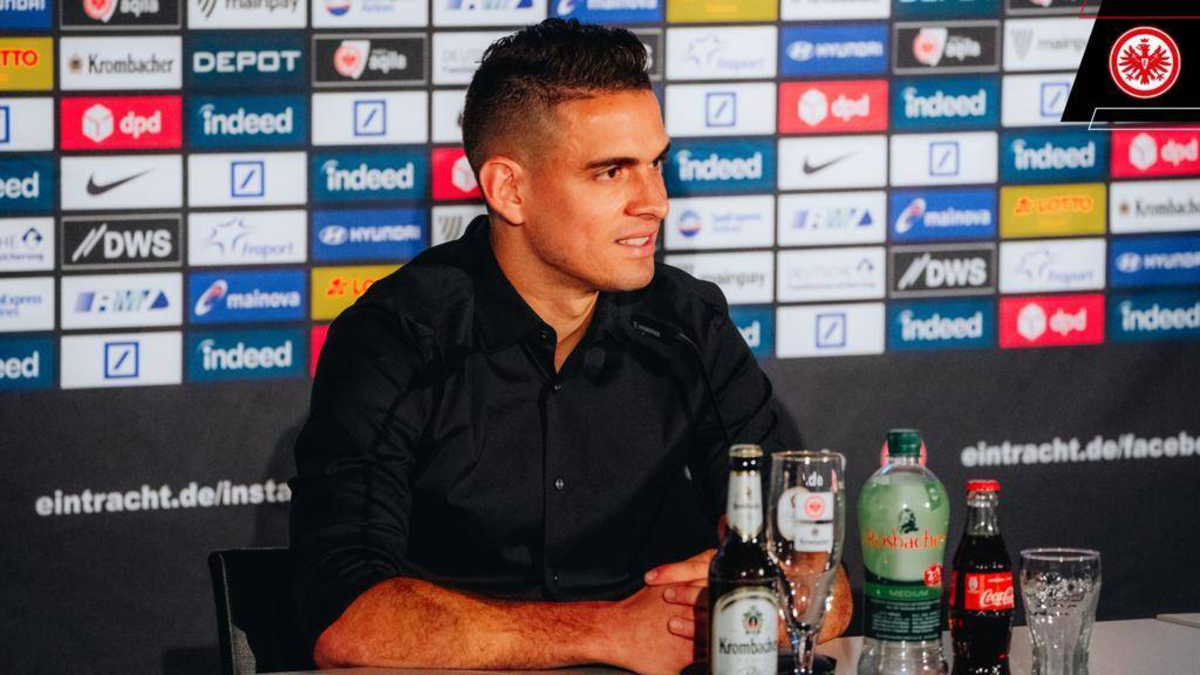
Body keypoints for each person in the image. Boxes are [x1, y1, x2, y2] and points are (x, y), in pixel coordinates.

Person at [289, 18, 851, 674]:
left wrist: (734, 597)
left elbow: (825, 588)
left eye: (656, 164)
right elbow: (348, 623)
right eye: (611, 172)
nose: (656, 202)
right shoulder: (396, 340)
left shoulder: (690, 326)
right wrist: (606, 631)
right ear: (509, 190)